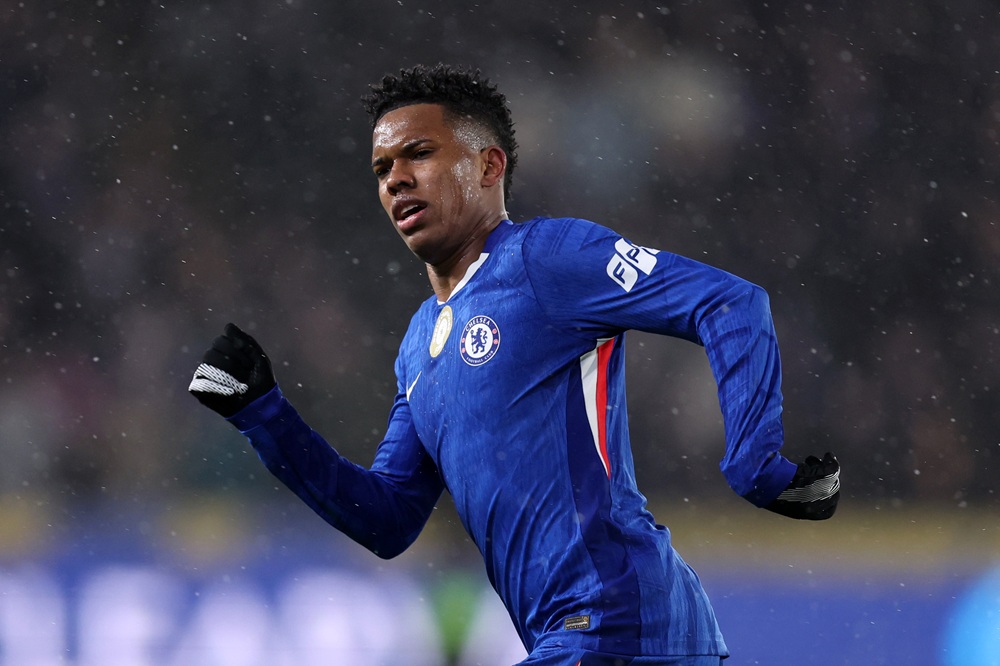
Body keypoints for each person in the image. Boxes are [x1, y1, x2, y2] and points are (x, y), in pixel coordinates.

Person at [188, 64, 841, 666]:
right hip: (585, 636)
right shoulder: (419, 347)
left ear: (488, 166)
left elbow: (729, 302)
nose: (396, 178)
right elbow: (386, 520)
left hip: (621, 622)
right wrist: (263, 413)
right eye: (382, 166)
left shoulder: (546, 258)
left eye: (419, 154)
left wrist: (756, 466)